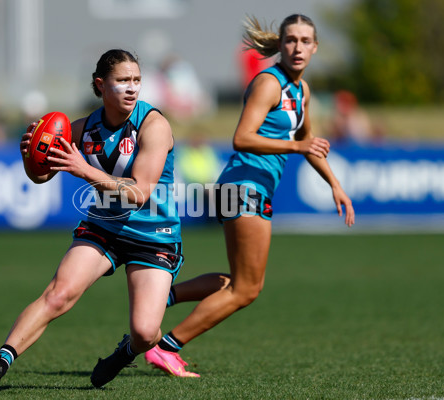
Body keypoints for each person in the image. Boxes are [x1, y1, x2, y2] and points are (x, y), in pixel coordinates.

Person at [144, 14, 355, 377]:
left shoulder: (300, 91)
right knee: (247, 290)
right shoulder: (269, 83)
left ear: (315, 47)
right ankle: (166, 347)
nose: (298, 47)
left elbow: (310, 145)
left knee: (233, 283)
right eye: (291, 40)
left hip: (243, 188)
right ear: (281, 44)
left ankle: (161, 298)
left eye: (306, 41)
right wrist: (295, 144)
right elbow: (241, 137)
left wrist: (334, 184)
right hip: (244, 187)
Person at [0, 49, 186, 390]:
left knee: (145, 333)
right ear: (101, 85)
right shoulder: (82, 128)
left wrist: (83, 169)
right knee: (58, 295)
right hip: (104, 227)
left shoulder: (153, 125)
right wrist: (30, 156)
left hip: (153, 235)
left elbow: (140, 191)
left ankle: (126, 351)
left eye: (137, 80)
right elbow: (40, 178)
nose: (132, 88)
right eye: (122, 81)